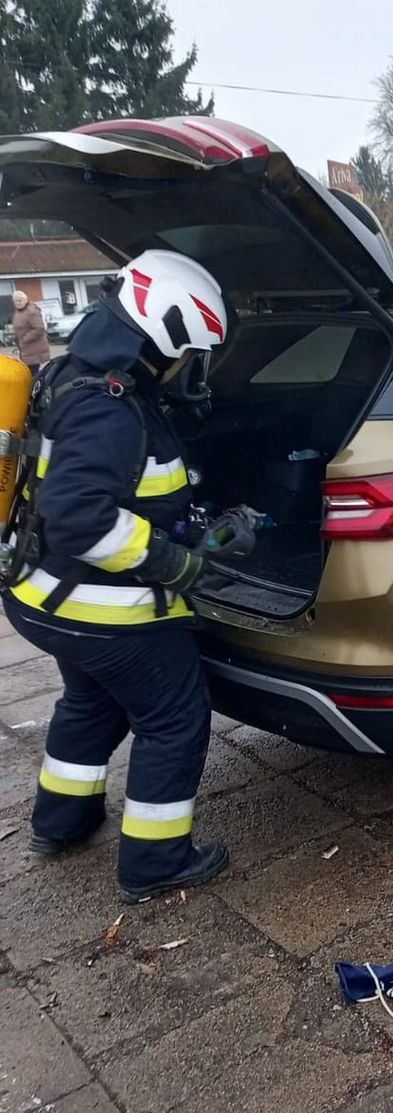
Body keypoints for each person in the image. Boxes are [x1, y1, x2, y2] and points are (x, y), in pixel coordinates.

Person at [3, 249, 234, 903]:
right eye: (190, 354)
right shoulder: (108, 407)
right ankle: (156, 862)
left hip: (43, 595)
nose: (191, 368)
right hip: (100, 611)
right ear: (162, 338)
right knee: (174, 718)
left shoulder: (74, 373)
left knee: (91, 703)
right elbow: (80, 516)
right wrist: (174, 562)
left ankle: (61, 823)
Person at [11, 291, 51, 373]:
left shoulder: (32, 311)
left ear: (26, 300)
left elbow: (39, 328)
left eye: (20, 300)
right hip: (25, 348)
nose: (18, 303)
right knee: (28, 371)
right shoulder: (18, 312)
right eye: (16, 301)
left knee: (33, 372)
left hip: (34, 348)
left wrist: (25, 339)